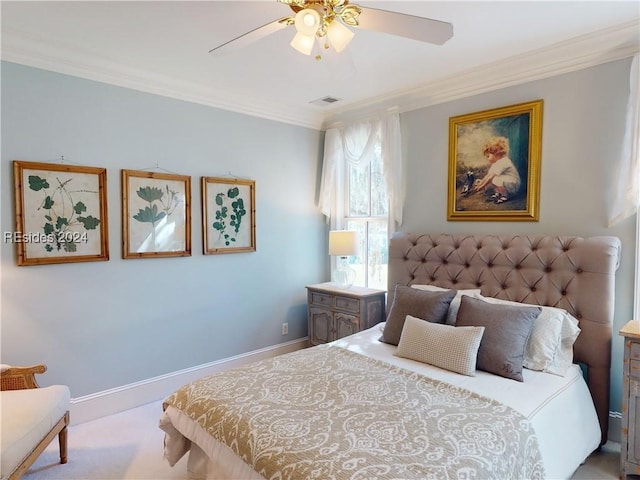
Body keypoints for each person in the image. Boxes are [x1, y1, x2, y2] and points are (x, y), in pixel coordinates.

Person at [473, 136, 521, 203]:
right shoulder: (496, 163)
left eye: (488, 156)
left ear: (496, 153)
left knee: (495, 179)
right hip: (507, 182)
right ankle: (499, 193)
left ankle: (505, 196)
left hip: (512, 185)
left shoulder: (504, 161)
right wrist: (481, 183)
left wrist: (482, 186)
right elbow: (488, 175)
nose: (487, 159)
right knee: (495, 179)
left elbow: (490, 177)